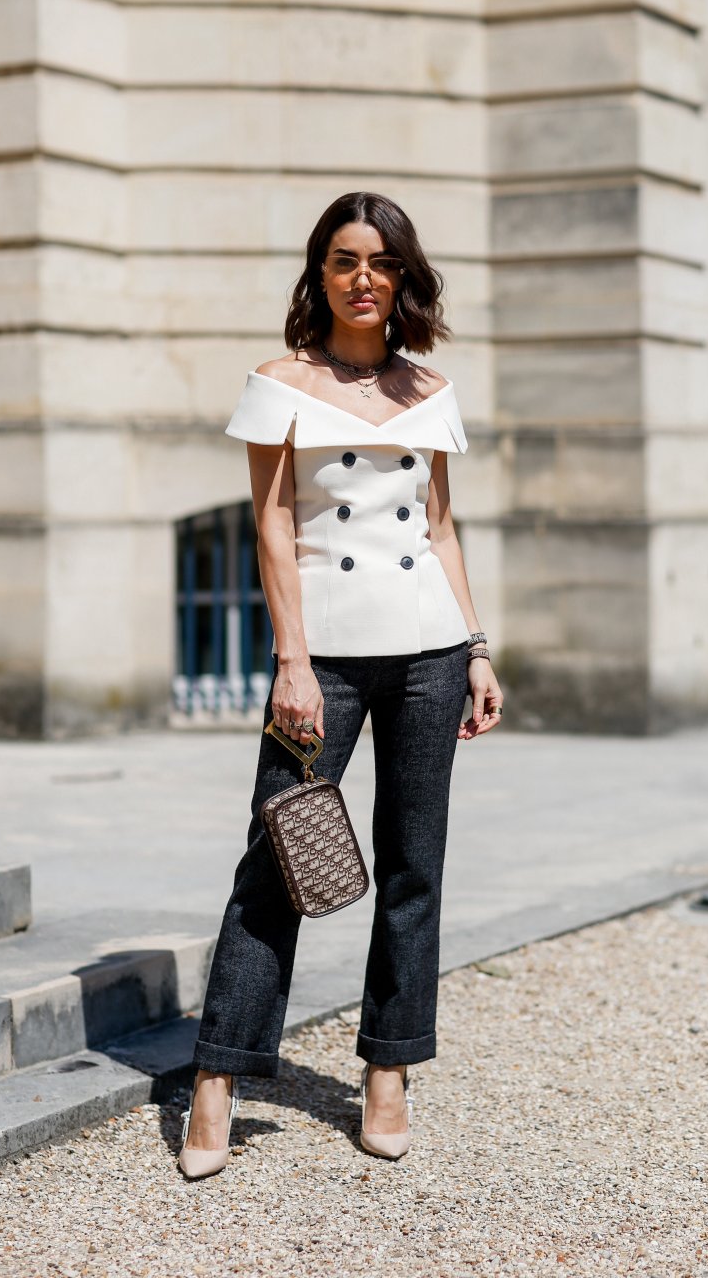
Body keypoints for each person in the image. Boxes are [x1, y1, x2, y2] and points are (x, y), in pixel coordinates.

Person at [177, 191, 503, 1178]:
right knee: (278, 854)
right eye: (345, 260)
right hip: (322, 655)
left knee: (414, 862)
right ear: (319, 274)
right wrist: (292, 661)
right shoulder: (280, 382)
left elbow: (438, 528)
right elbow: (272, 528)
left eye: (382, 262)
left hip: (429, 649)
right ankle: (219, 1073)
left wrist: (476, 648)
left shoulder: (428, 388)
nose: (365, 278)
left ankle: (388, 1068)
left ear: (403, 277)